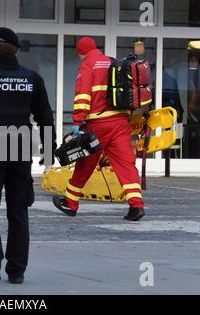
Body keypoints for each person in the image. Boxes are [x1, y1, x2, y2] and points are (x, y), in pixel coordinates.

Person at [0, 27, 56, 285]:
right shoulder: (33, 79)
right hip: (20, 148)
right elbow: (45, 117)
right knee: (18, 210)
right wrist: (48, 151)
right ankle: (17, 270)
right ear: (16, 50)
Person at [53, 37, 145, 222]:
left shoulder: (88, 64)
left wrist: (77, 122)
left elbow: (83, 96)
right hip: (120, 122)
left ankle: (70, 203)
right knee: (125, 163)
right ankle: (136, 205)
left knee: (85, 162)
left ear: (81, 52)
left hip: (98, 123)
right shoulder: (112, 61)